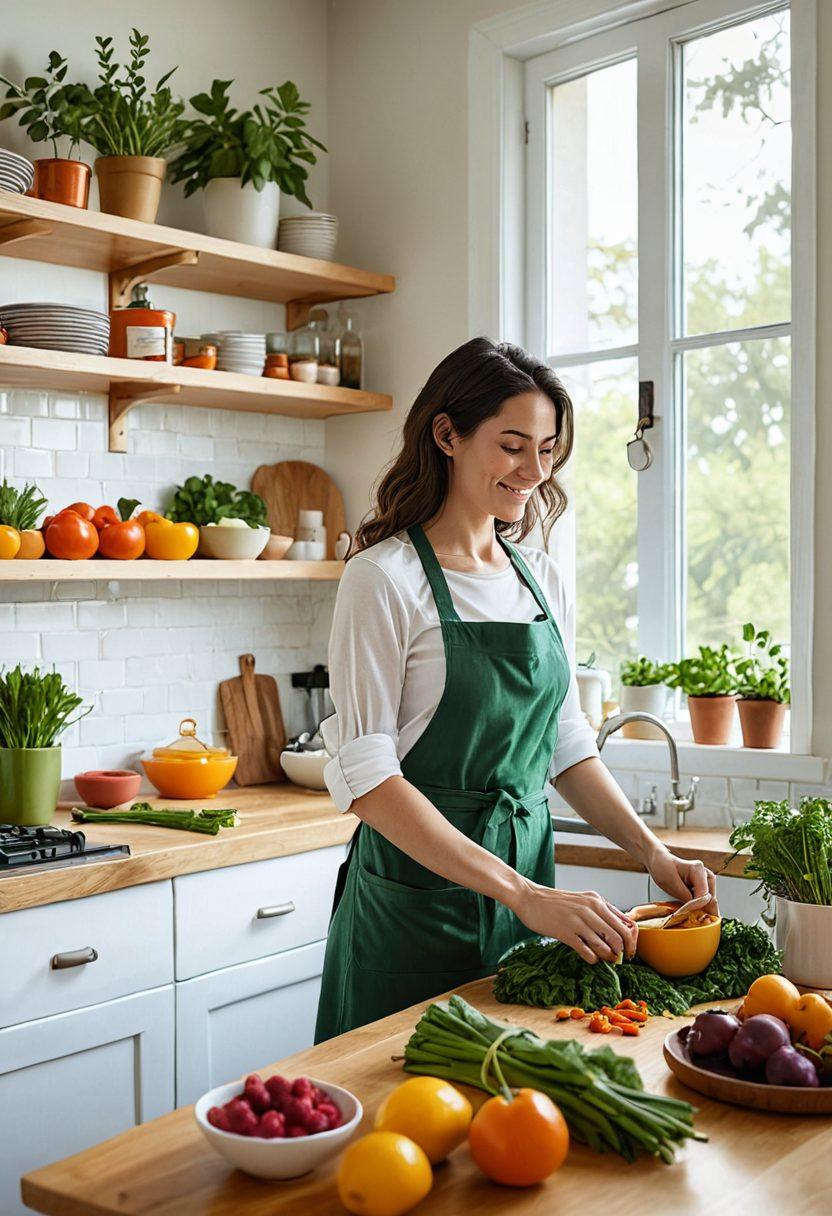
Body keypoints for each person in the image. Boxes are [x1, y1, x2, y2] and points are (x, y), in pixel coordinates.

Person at [314, 337, 715, 1042]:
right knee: (398, 1114)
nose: (535, 470)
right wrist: (524, 895)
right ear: (447, 435)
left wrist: (651, 852)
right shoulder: (382, 577)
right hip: (419, 902)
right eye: (512, 445)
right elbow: (370, 779)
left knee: (513, 1106)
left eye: (549, 448)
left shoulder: (539, 576)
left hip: (527, 882)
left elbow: (565, 745)